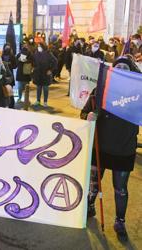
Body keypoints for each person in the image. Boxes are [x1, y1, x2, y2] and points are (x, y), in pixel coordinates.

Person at [81, 57, 140, 241]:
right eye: (118, 67)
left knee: (120, 188)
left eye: (125, 67)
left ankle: (120, 221)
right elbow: (84, 113)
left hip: (124, 148)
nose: (121, 70)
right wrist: (88, 115)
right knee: (94, 182)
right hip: (100, 146)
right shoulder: (100, 90)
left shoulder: (138, 92)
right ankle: (90, 205)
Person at [32, 43, 56, 107]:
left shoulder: (48, 53)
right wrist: (33, 67)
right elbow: (33, 61)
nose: (38, 47)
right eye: (38, 46)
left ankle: (45, 102)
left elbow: (55, 61)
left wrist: (50, 70)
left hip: (45, 74)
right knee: (38, 88)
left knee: (45, 88)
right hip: (38, 73)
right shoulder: (36, 53)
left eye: (40, 46)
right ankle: (38, 100)